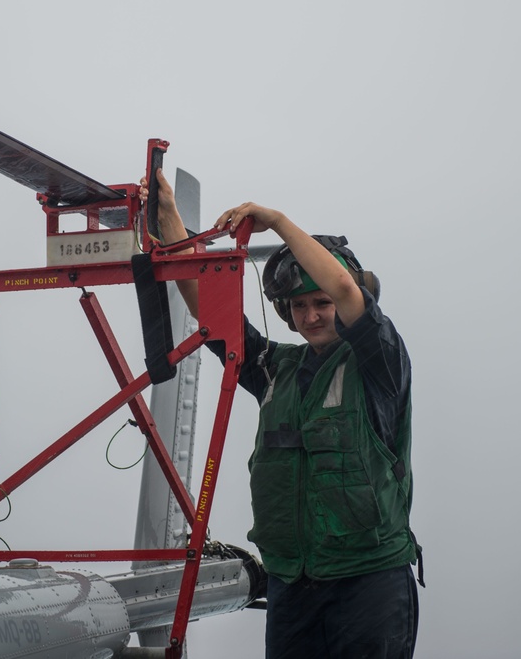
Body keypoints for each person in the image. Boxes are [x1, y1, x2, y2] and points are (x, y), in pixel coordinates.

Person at [141, 168, 420, 659]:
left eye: (322, 303)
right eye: (298, 306)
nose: (311, 316)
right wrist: (167, 216)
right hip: (293, 583)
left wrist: (276, 221)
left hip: (369, 583)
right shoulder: (276, 369)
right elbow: (210, 309)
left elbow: (347, 289)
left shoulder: (378, 361)